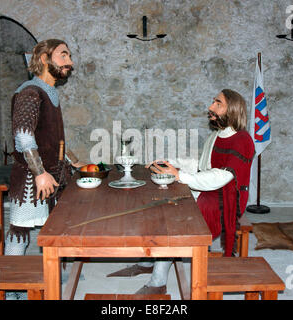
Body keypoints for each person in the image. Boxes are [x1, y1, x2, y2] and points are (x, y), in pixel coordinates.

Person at [108, 89, 255, 295]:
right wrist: (171, 163)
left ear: (232, 109)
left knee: (176, 220)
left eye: (217, 103)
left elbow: (221, 177)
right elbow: (201, 164)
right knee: (162, 196)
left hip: (226, 199)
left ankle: (158, 281)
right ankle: (152, 260)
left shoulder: (242, 140)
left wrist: (179, 175)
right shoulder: (217, 136)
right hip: (210, 191)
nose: (210, 107)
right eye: (213, 102)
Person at [6, 39, 85, 257]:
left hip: (54, 172)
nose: (69, 62)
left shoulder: (49, 92)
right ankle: (12, 288)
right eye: (63, 55)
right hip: (32, 177)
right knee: (19, 230)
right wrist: (39, 173)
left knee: (55, 227)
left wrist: (73, 161)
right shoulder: (30, 92)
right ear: (44, 59)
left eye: (68, 56)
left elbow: (52, 138)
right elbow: (23, 136)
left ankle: (52, 274)